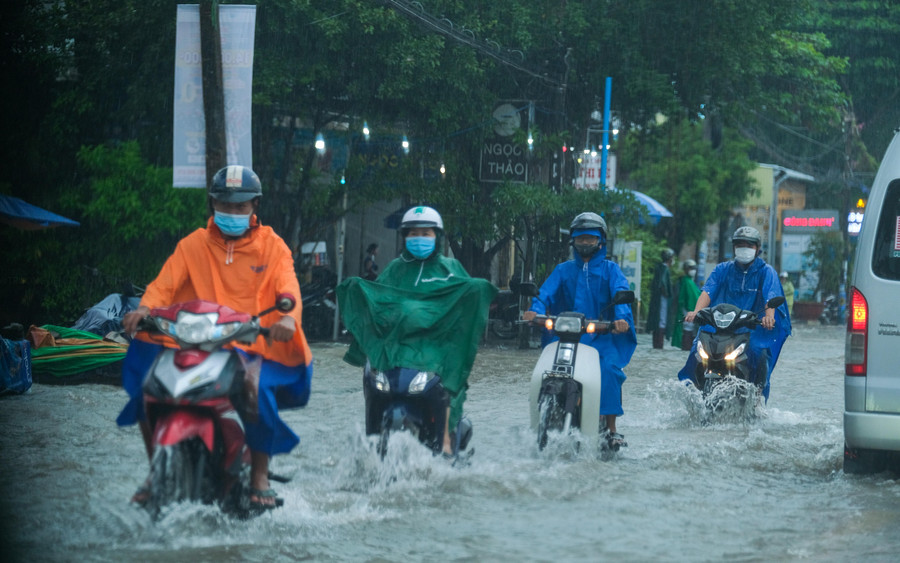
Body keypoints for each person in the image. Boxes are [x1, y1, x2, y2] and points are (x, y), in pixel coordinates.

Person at [119, 165, 312, 510]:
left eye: (241, 206)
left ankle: (259, 475)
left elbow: (288, 287)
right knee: (149, 387)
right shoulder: (192, 244)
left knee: (256, 390)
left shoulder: (273, 247)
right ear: (212, 204)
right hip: (194, 340)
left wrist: (286, 317)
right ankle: (155, 471)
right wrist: (145, 309)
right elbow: (164, 285)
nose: (233, 212)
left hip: (250, 342)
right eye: (225, 204)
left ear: (254, 207)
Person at [337, 206, 496, 458]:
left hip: (435, 349)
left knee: (446, 387)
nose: (418, 238)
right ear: (404, 237)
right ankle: (371, 444)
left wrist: (482, 294)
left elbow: (467, 300)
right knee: (371, 377)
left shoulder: (450, 269)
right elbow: (377, 301)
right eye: (413, 234)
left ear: (437, 237)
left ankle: (446, 442)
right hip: (397, 350)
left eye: (425, 233)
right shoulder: (394, 270)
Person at [522, 212, 637, 450]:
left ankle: (612, 430)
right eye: (580, 238)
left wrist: (621, 320)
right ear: (573, 240)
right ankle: (539, 422)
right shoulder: (563, 270)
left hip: (601, 337)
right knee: (545, 370)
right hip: (566, 336)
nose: (585, 243)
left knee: (610, 370)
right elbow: (544, 294)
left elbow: (622, 299)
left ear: (601, 241)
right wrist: (534, 310)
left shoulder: (611, 270)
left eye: (590, 239)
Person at [677, 226, 791, 400]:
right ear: (734, 247)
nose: (744, 248)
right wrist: (696, 311)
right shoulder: (723, 269)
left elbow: (771, 295)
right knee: (696, 352)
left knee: (759, 353)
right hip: (720, 327)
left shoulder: (766, 272)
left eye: (749, 245)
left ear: (758, 248)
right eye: (740, 244)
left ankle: (757, 399)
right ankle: (691, 396)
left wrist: (769, 317)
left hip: (752, 330)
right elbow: (708, 291)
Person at [647, 248, 675, 349]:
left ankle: (657, 343)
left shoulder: (658, 267)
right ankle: (659, 343)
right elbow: (662, 284)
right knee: (661, 320)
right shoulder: (665, 269)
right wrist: (666, 294)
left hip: (657, 299)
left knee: (659, 320)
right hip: (662, 299)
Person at [671, 259, 702, 350]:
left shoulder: (690, 281)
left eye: (694, 268)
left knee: (690, 328)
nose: (693, 270)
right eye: (690, 268)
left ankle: (688, 347)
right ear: (686, 269)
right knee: (688, 328)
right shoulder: (685, 281)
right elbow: (687, 297)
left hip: (692, 308)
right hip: (687, 309)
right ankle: (686, 347)